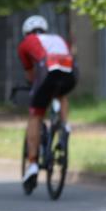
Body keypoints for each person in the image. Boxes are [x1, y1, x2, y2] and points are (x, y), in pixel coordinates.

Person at [16, 15, 77, 193]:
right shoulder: (58, 38)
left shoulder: (26, 42)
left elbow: (31, 75)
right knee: (61, 93)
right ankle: (64, 125)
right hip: (70, 71)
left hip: (47, 69)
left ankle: (33, 164)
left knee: (35, 114)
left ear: (26, 32)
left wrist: (33, 87)